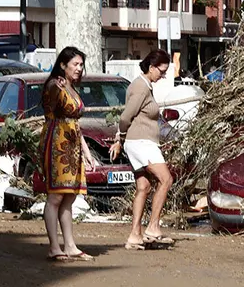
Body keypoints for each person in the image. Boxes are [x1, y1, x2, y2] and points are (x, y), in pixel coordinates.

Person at [109, 49, 175, 250]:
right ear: (152, 67)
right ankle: (153, 227)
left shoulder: (145, 85)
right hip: (141, 142)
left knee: (144, 186)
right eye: (161, 71)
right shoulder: (140, 87)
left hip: (140, 142)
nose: (163, 75)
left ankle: (135, 235)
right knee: (166, 179)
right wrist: (120, 137)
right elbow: (125, 117)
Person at [40, 46, 96, 262]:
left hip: (72, 144)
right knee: (56, 195)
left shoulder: (71, 87)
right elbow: (52, 109)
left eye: (81, 65)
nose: (79, 68)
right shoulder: (54, 85)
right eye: (75, 64)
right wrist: (57, 88)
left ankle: (70, 245)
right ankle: (54, 246)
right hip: (57, 143)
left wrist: (87, 152)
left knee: (69, 196)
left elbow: (75, 124)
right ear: (63, 65)